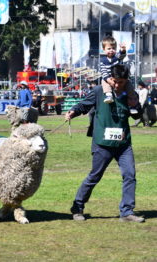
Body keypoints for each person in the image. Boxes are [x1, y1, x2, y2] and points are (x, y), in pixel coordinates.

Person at [65, 64, 145, 223]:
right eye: (114, 81)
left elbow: (137, 117)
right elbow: (83, 105)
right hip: (102, 143)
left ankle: (127, 212)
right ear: (110, 78)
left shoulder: (130, 94)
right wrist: (73, 112)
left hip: (123, 145)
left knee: (130, 175)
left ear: (126, 81)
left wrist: (135, 105)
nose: (117, 85)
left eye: (121, 82)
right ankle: (77, 207)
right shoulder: (98, 91)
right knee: (95, 176)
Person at [100, 36, 138, 114]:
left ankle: (132, 105)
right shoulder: (102, 61)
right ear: (104, 50)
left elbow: (122, 56)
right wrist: (108, 79)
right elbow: (103, 72)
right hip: (109, 79)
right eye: (109, 48)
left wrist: (123, 50)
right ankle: (108, 94)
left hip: (119, 78)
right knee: (103, 81)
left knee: (129, 86)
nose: (111, 50)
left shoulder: (116, 57)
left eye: (113, 48)